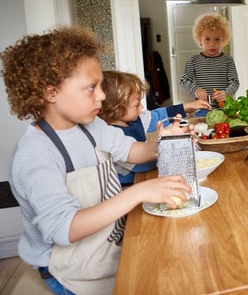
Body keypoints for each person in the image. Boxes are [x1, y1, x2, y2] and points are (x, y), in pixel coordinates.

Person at [0, 26, 193, 295]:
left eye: (100, 86)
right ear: (50, 92)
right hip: (70, 272)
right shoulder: (36, 155)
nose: (101, 96)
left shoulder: (90, 127)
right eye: (91, 88)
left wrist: (166, 140)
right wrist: (139, 192)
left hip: (105, 248)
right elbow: (65, 229)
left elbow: (133, 152)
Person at [99, 70, 211, 185]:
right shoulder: (110, 135)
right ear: (116, 110)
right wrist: (169, 147)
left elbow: (156, 116)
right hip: (130, 184)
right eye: (136, 105)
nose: (141, 107)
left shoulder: (134, 118)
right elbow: (142, 166)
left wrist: (185, 107)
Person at [179, 13, 239, 113]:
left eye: (217, 39)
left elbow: (235, 82)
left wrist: (226, 93)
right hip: (202, 108)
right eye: (207, 39)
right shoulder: (193, 60)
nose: (212, 44)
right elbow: (184, 81)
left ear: (223, 40)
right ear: (200, 40)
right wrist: (196, 90)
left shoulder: (228, 60)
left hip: (225, 108)